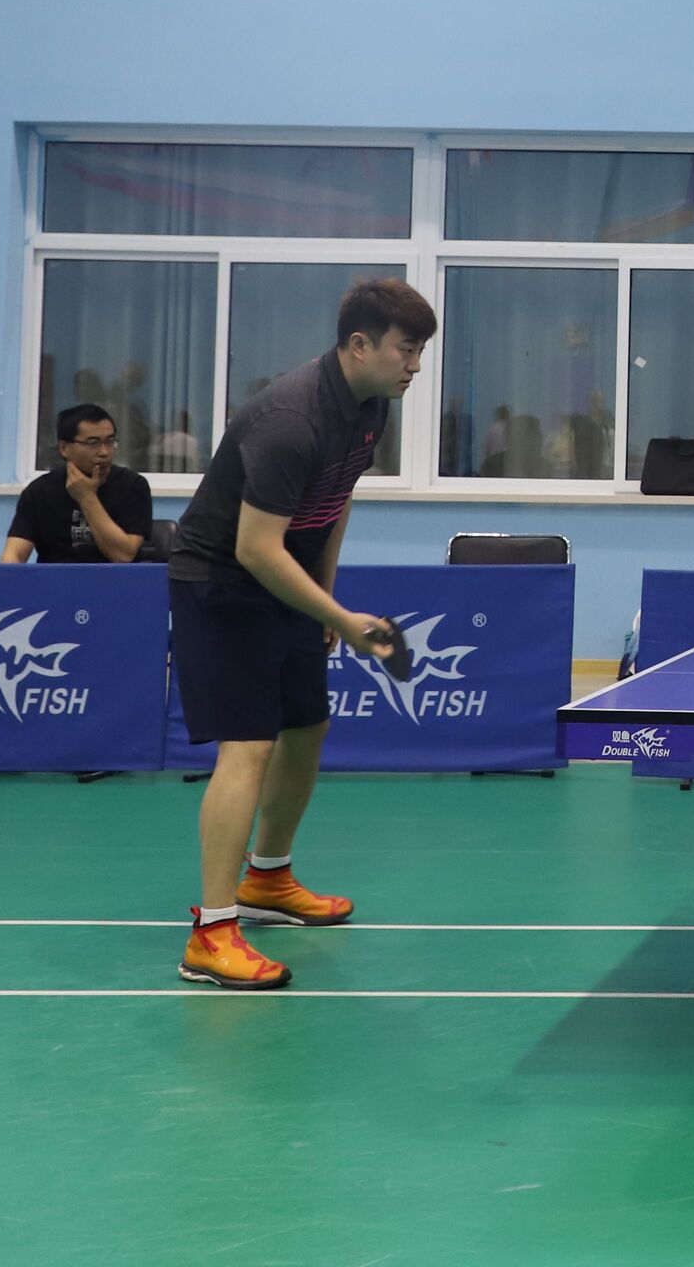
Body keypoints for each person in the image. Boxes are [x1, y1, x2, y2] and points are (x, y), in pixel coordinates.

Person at [164, 278, 429, 992]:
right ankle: (211, 934)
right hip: (222, 583)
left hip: (285, 576)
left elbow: (335, 501)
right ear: (359, 345)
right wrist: (341, 619)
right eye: (406, 350)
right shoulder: (290, 419)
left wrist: (324, 602)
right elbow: (254, 548)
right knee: (247, 747)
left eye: (420, 352)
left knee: (307, 726)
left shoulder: (370, 407)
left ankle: (268, 879)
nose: (415, 365)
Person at [3, 404, 153, 565]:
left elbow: (123, 556)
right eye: (93, 443)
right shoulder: (39, 491)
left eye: (110, 441)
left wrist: (87, 497)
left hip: (114, 579)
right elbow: (13, 555)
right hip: (55, 578)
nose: (104, 452)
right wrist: (9, 575)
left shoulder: (133, 486)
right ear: (64, 448)